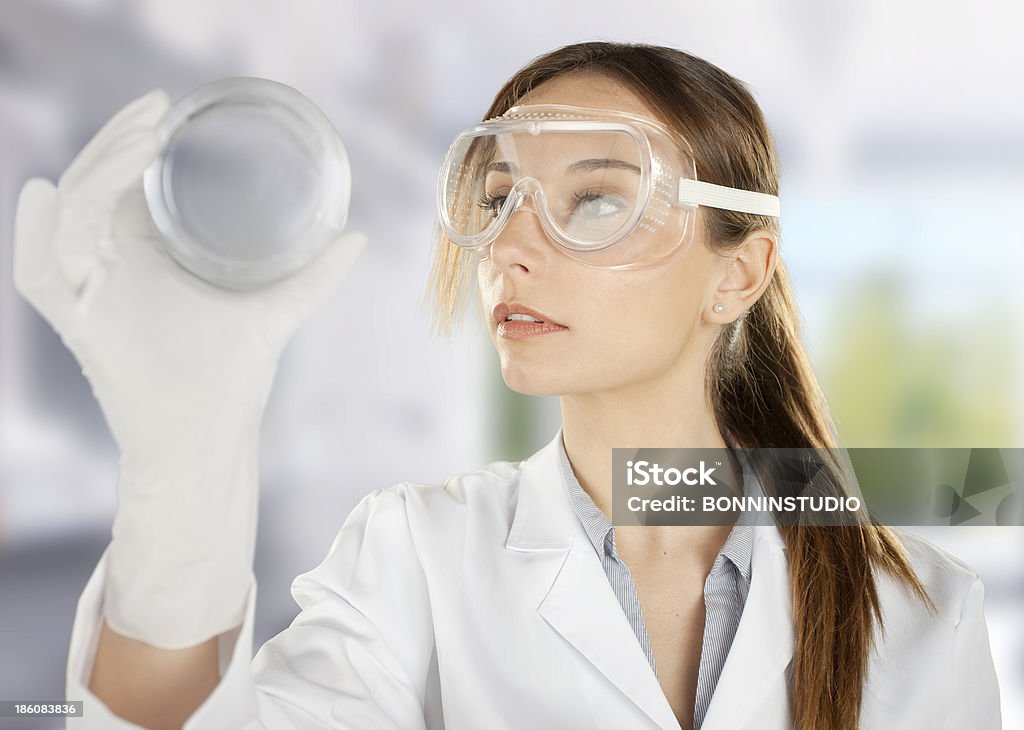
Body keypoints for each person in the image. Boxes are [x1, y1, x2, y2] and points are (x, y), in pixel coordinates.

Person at [14, 42, 1001, 730]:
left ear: (735, 272)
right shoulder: (412, 559)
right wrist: (184, 464)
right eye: (498, 199)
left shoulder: (918, 609)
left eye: (599, 198)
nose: (513, 246)